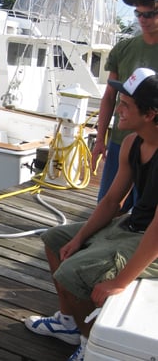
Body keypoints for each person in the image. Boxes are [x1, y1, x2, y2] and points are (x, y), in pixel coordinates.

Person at [24, 67, 158, 361]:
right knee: (55, 240)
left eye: (126, 105)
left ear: (149, 114)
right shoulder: (132, 143)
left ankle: (88, 343)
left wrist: (119, 281)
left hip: (151, 240)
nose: (117, 109)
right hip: (133, 225)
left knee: (73, 273)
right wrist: (80, 237)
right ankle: (70, 323)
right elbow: (112, 201)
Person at [91, 0, 158, 212]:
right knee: (108, 204)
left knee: (144, 211)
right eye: (138, 13)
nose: (143, 18)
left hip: (154, 145)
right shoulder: (123, 48)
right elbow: (110, 96)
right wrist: (100, 139)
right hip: (121, 141)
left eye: (150, 13)